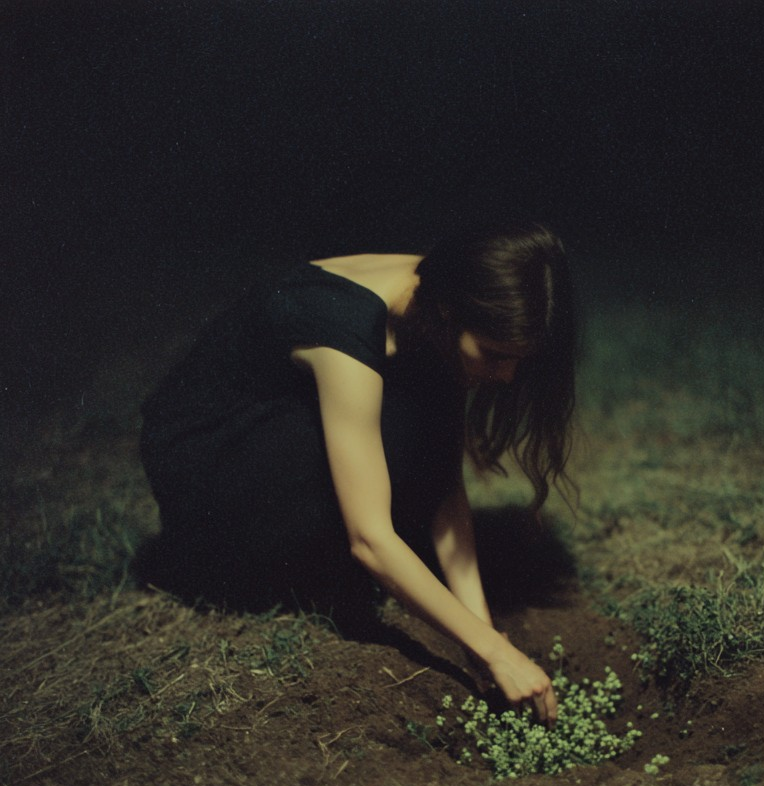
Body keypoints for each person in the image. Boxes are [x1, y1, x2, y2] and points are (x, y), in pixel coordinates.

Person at [139, 222, 576, 725]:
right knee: (396, 432)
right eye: (497, 355)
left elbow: (444, 483)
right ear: (453, 312)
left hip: (275, 431)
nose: (506, 377)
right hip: (205, 461)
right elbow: (370, 539)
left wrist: (483, 637)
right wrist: (501, 656)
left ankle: (315, 554)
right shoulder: (343, 322)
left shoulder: (444, 294)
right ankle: (255, 567)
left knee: (413, 425)